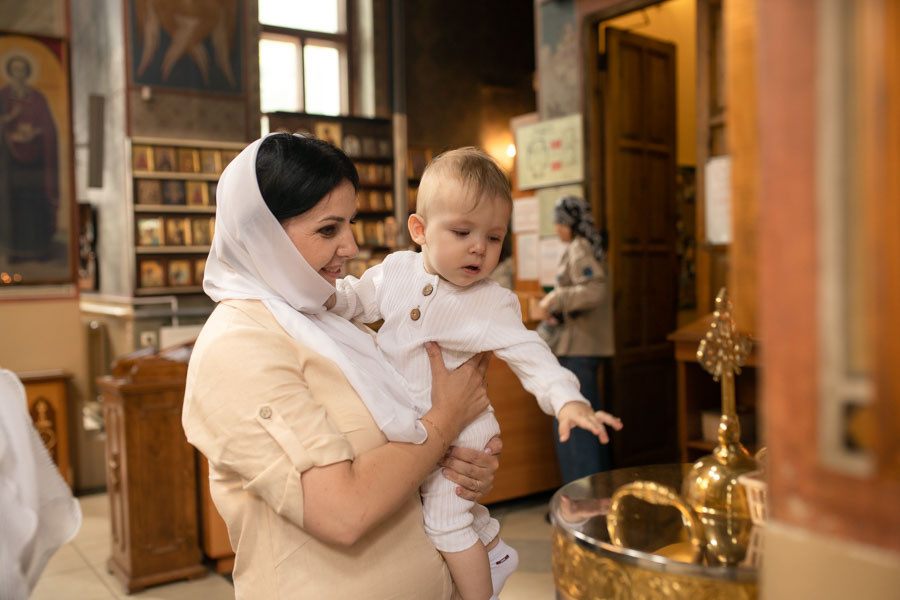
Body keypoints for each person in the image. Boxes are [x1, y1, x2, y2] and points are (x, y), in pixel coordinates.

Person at [181, 133, 503, 599]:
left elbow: (406, 454)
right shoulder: (239, 346)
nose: (351, 245)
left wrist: (463, 466)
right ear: (262, 234)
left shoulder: (330, 323)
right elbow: (343, 511)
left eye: (349, 223)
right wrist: (446, 420)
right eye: (328, 230)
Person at [327, 147, 623, 600]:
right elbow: (353, 299)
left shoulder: (491, 301)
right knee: (424, 511)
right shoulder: (396, 270)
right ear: (420, 230)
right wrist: (321, 296)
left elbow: (531, 353)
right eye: (462, 232)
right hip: (410, 427)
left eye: (494, 237)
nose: (479, 248)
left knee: (445, 525)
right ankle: (491, 549)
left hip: (464, 434)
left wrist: (567, 400)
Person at [533, 195, 615, 485]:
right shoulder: (586, 246)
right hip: (583, 345)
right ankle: (595, 493)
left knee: (576, 424)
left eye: (560, 222)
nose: (556, 228)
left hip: (578, 347)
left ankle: (581, 498)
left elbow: (594, 290)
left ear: (570, 223)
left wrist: (556, 299)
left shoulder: (580, 247)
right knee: (588, 421)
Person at [0, 55, 59, 263]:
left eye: (22, 70)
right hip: (10, 162)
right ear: (10, 73)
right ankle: (14, 251)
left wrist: (36, 132)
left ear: (27, 73)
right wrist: (9, 119)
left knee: (35, 205)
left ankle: (39, 249)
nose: (19, 74)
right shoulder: (3, 96)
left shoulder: (37, 98)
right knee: (13, 205)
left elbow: (49, 127)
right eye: (15, 70)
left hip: (36, 162)